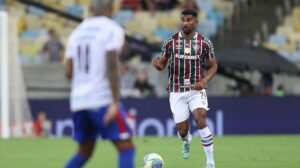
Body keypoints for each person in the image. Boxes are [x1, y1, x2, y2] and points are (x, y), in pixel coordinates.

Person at [64, 1, 135, 168]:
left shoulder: (76, 33)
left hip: (78, 101)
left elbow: (68, 72)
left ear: (90, 9)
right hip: (101, 99)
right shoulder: (111, 29)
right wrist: (115, 102)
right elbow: (111, 64)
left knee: (84, 151)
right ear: (111, 9)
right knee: (126, 147)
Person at [152, 9, 218, 168]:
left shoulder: (204, 43)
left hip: (196, 89)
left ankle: (210, 163)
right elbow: (163, 63)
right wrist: (158, 65)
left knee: (200, 118)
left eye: (189, 20)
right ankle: (186, 140)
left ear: (196, 22)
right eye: (183, 20)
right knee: (182, 130)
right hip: (176, 90)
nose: (185, 23)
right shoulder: (170, 42)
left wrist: (204, 81)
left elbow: (214, 66)